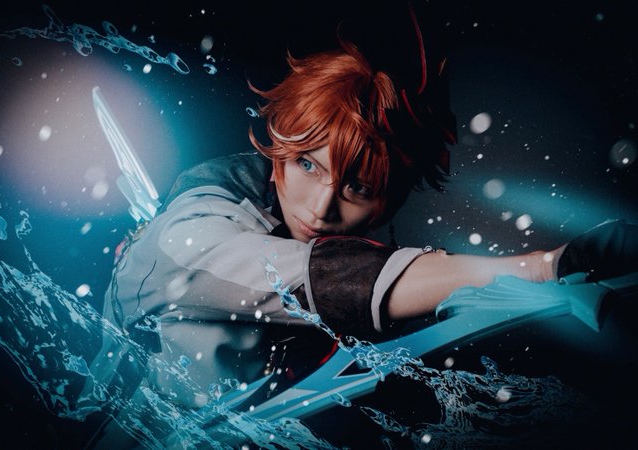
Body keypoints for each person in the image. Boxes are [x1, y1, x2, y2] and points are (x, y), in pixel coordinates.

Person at [80, 7, 638, 448]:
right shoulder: (189, 235)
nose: (322, 207)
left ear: (391, 199)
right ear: (280, 141)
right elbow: (306, 278)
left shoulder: (362, 252)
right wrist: (541, 266)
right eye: (307, 164)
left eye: (358, 188)